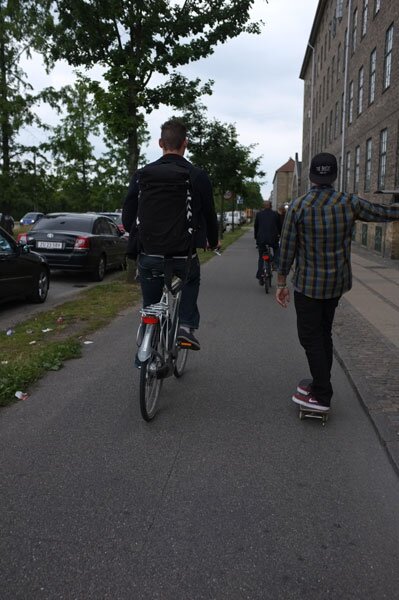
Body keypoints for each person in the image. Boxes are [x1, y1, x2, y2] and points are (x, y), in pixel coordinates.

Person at [275, 152, 399, 413]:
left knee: (310, 338)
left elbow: (286, 248)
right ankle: (321, 382)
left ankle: (322, 394)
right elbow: (382, 212)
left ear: (310, 176)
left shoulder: (298, 206)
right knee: (324, 333)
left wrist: (281, 282)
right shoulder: (349, 203)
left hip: (308, 285)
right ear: (334, 176)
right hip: (335, 285)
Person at [122, 119, 219, 352]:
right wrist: (213, 240)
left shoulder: (142, 174)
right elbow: (209, 213)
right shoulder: (197, 175)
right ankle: (185, 327)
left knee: (151, 304)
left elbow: (128, 214)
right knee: (191, 278)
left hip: (148, 253)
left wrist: (133, 231)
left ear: (160, 143)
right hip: (182, 254)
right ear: (185, 143)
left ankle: (146, 350)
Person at [254, 200, 281, 282]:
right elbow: (279, 226)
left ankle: (260, 275)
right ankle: (275, 263)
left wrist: (256, 237)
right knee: (277, 249)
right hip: (273, 239)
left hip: (261, 239)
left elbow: (256, 227)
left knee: (261, 257)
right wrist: (280, 234)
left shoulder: (259, 214)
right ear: (271, 206)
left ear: (263, 206)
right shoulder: (275, 214)